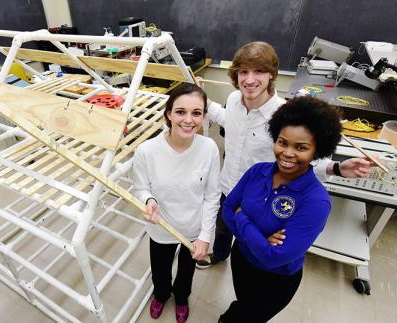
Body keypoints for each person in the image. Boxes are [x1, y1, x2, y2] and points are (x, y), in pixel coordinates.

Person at [196, 41, 373, 269]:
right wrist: (203, 99)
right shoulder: (233, 100)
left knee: (252, 239)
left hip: (260, 195)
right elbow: (225, 118)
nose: (249, 80)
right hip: (228, 183)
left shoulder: (284, 115)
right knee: (223, 226)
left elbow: (302, 156)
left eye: (259, 71)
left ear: (271, 75)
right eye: (243, 72)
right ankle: (220, 255)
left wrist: (336, 168)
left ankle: (248, 267)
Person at [218, 96, 344, 322]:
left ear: (317, 151)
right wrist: (261, 238)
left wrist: (243, 219)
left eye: (301, 147)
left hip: (275, 280)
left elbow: (274, 258)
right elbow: (227, 210)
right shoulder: (257, 172)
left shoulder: (316, 201)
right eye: (283, 142)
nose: (287, 153)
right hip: (242, 261)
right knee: (242, 304)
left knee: (249, 317)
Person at [132, 83, 220, 322]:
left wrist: (204, 236)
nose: (189, 120)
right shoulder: (146, 151)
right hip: (161, 227)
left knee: (187, 271)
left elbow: (212, 196)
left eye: (196, 113)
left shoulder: (209, 148)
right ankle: (160, 295)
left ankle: (182, 298)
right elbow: (140, 188)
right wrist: (148, 200)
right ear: (169, 113)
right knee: (160, 270)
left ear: (204, 116)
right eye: (181, 112)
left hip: (193, 228)